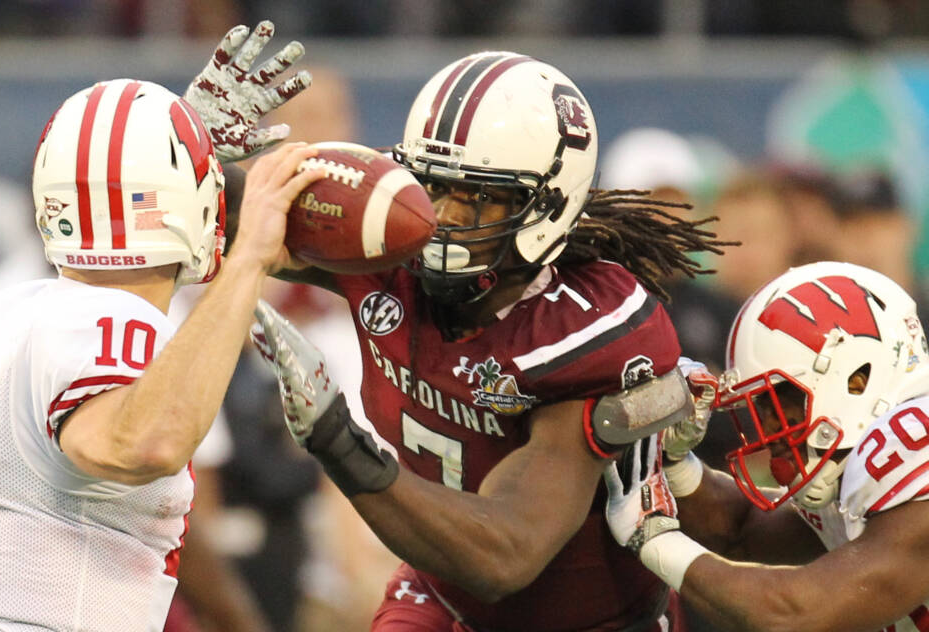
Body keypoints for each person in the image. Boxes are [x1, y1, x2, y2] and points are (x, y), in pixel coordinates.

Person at [252, 51, 734, 631]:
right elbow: (223, 214)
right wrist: (188, 150)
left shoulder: (586, 331)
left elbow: (506, 553)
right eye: (432, 184)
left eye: (475, 196)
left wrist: (340, 442)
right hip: (439, 592)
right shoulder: (391, 237)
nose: (440, 216)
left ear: (547, 205)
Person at [0, 22, 320, 630]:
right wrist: (252, 255)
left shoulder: (5, 309)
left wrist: (168, 148)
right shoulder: (105, 320)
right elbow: (141, 442)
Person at [603, 260, 929, 632]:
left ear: (858, 379)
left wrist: (656, 540)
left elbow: (794, 611)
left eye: (779, 399)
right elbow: (739, 530)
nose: (767, 426)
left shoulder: (913, 448)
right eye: (760, 405)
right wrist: (674, 464)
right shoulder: (856, 478)